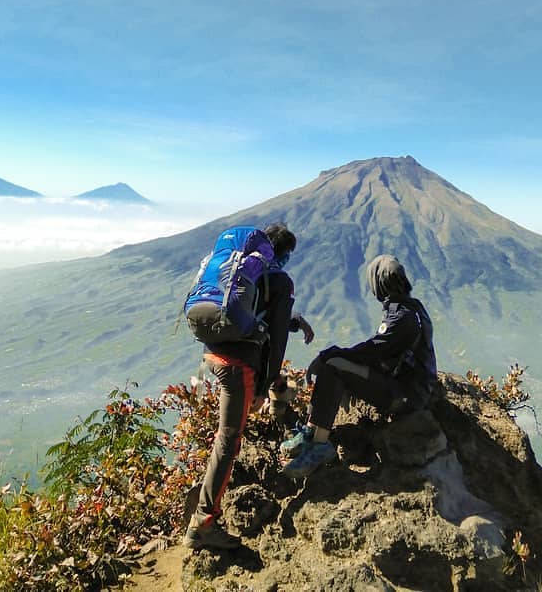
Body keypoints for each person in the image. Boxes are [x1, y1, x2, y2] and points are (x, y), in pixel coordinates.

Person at [182, 222, 315, 550]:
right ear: (280, 253)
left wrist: (292, 323)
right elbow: (277, 340)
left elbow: (262, 319)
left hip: (212, 356)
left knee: (228, 434)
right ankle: (202, 524)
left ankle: (200, 503)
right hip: (238, 367)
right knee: (228, 441)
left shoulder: (241, 272)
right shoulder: (280, 279)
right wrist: (263, 387)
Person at [280, 254, 437, 479]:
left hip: (404, 397)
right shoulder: (411, 308)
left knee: (334, 366)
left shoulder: (402, 316)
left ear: (378, 284)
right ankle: (311, 434)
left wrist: (326, 355)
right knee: (336, 364)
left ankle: (319, 445)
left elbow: (371, 351)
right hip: (408, 390)